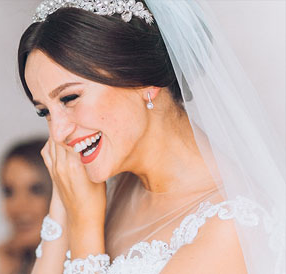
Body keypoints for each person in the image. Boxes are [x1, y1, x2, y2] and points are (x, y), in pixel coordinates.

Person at [17, 1, 285, 274]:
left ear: (142, 80)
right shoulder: (106, 185)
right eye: (45, 112)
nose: (58, 133)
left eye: (70, 98)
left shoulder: (231, 227)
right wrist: (63, 204)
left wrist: (85, 226)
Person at [0, 138, 52, 274]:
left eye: (36, 190)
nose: (18, 207)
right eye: (9, 192)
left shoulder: (84, 263)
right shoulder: (13, 263)